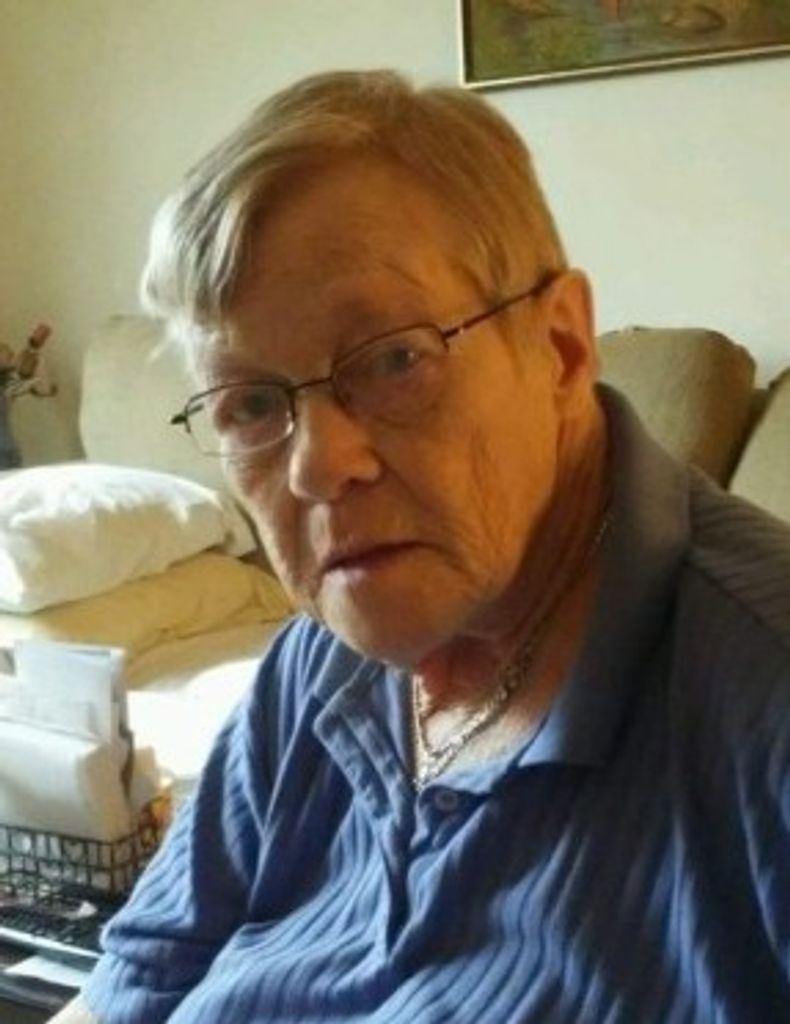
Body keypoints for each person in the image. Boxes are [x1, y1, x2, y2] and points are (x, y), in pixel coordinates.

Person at [53, 69, 790, 1024]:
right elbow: (136, 980)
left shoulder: (759, 707)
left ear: (562, 346)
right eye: (250, 404)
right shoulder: (312, 670)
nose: (320, 466)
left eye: (394, 359)